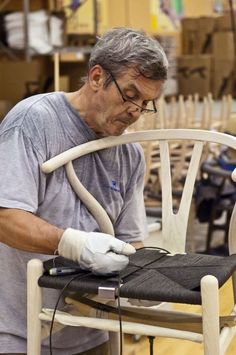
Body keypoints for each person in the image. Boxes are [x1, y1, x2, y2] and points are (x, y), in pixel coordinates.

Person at [0, 27, 168, 354]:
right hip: (21, 333)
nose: (136, 111)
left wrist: (140, 284)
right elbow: (6, 218)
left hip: (94, 332)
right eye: (131, 94)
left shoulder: (129, 154)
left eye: (146, 103)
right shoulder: (34, 122)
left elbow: (131, 241)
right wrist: (72, 243)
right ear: (95, 77)